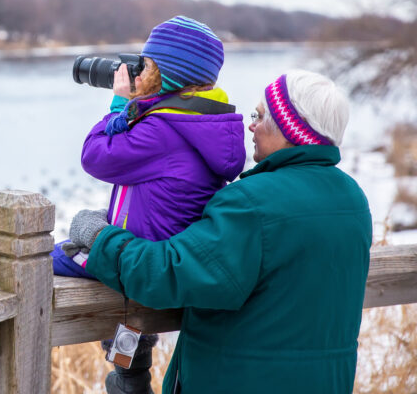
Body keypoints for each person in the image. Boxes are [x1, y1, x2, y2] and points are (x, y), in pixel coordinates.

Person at [69, 70, 373, 394]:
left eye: (259, 115)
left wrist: (101, 236)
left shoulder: (252, 204)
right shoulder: (352, 200)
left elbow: (166, 272)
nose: (251, 125)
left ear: (288, 127)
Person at [51, 16, 247, 393]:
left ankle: (131, 375)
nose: (139, 70)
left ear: (168, 73)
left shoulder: (162, 130)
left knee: (50, 263)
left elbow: (96, 156)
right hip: (169, 250)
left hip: (142, 254)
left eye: (147, 63)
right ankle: (132, 371)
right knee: (103, 271)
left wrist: (119, 105)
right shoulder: (198, 121)